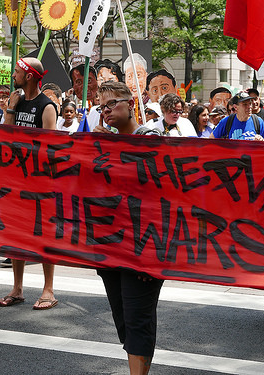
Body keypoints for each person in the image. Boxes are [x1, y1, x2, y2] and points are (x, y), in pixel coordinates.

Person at [93, 81, 163, 375]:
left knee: (137, 319)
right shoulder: (103, 141)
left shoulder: (150, 137)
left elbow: (154, 189)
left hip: (143, 245)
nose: (106, 111)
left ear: (131, 104)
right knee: (123, 318)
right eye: (101, 107)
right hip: (111, 243)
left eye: (111, 104)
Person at [0, 57, 58, 310]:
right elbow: (6, 136)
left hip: (40, 180)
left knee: (44, 233)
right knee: (16, 233)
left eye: (17, 71)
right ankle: (18, 288)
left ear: (29, 76)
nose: (13, 75)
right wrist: (10, 110)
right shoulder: (17, 101)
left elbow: (51, 147)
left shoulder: (47, 107)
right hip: (16, 178)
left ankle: (48, 289)